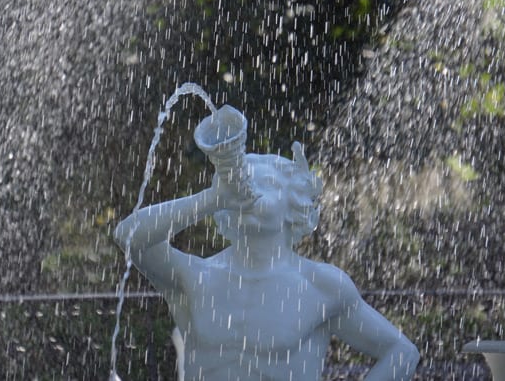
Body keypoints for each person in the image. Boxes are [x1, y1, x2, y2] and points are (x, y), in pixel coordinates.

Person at [114, 106, 419, 381]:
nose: (250, 192)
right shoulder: (195, 276)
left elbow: (401, 352)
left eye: (266, 185)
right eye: (246, 183)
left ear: (294, 205)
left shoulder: (321, 286)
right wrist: (212, 198)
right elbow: (129, 235)